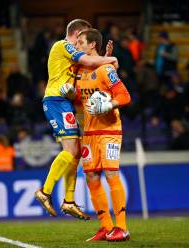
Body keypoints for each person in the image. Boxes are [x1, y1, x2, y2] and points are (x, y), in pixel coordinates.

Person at [34, 19, 118, 220]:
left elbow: (91, 71)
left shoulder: (71, 58)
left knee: (76, 151)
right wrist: (112, 59)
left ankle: (69, 201)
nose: (82, 42)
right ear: (78, 33)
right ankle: (45, 192)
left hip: (64, 102)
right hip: (55, 101)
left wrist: (104, 58)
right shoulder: (62, 45)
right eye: (82, 37)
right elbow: (89, 62)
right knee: (71, 150)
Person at [74, 29, 131, 241]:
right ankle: (106, 227)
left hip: (109, 130)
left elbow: (125, 95)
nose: (77, 45)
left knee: (111, 174)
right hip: (89, 131)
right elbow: (82, 101)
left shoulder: (106, 70)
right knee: (91, 177)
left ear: (91, 45)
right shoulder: (80, 72)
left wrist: (109, 104)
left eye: (80, 42)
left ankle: (122, 227)